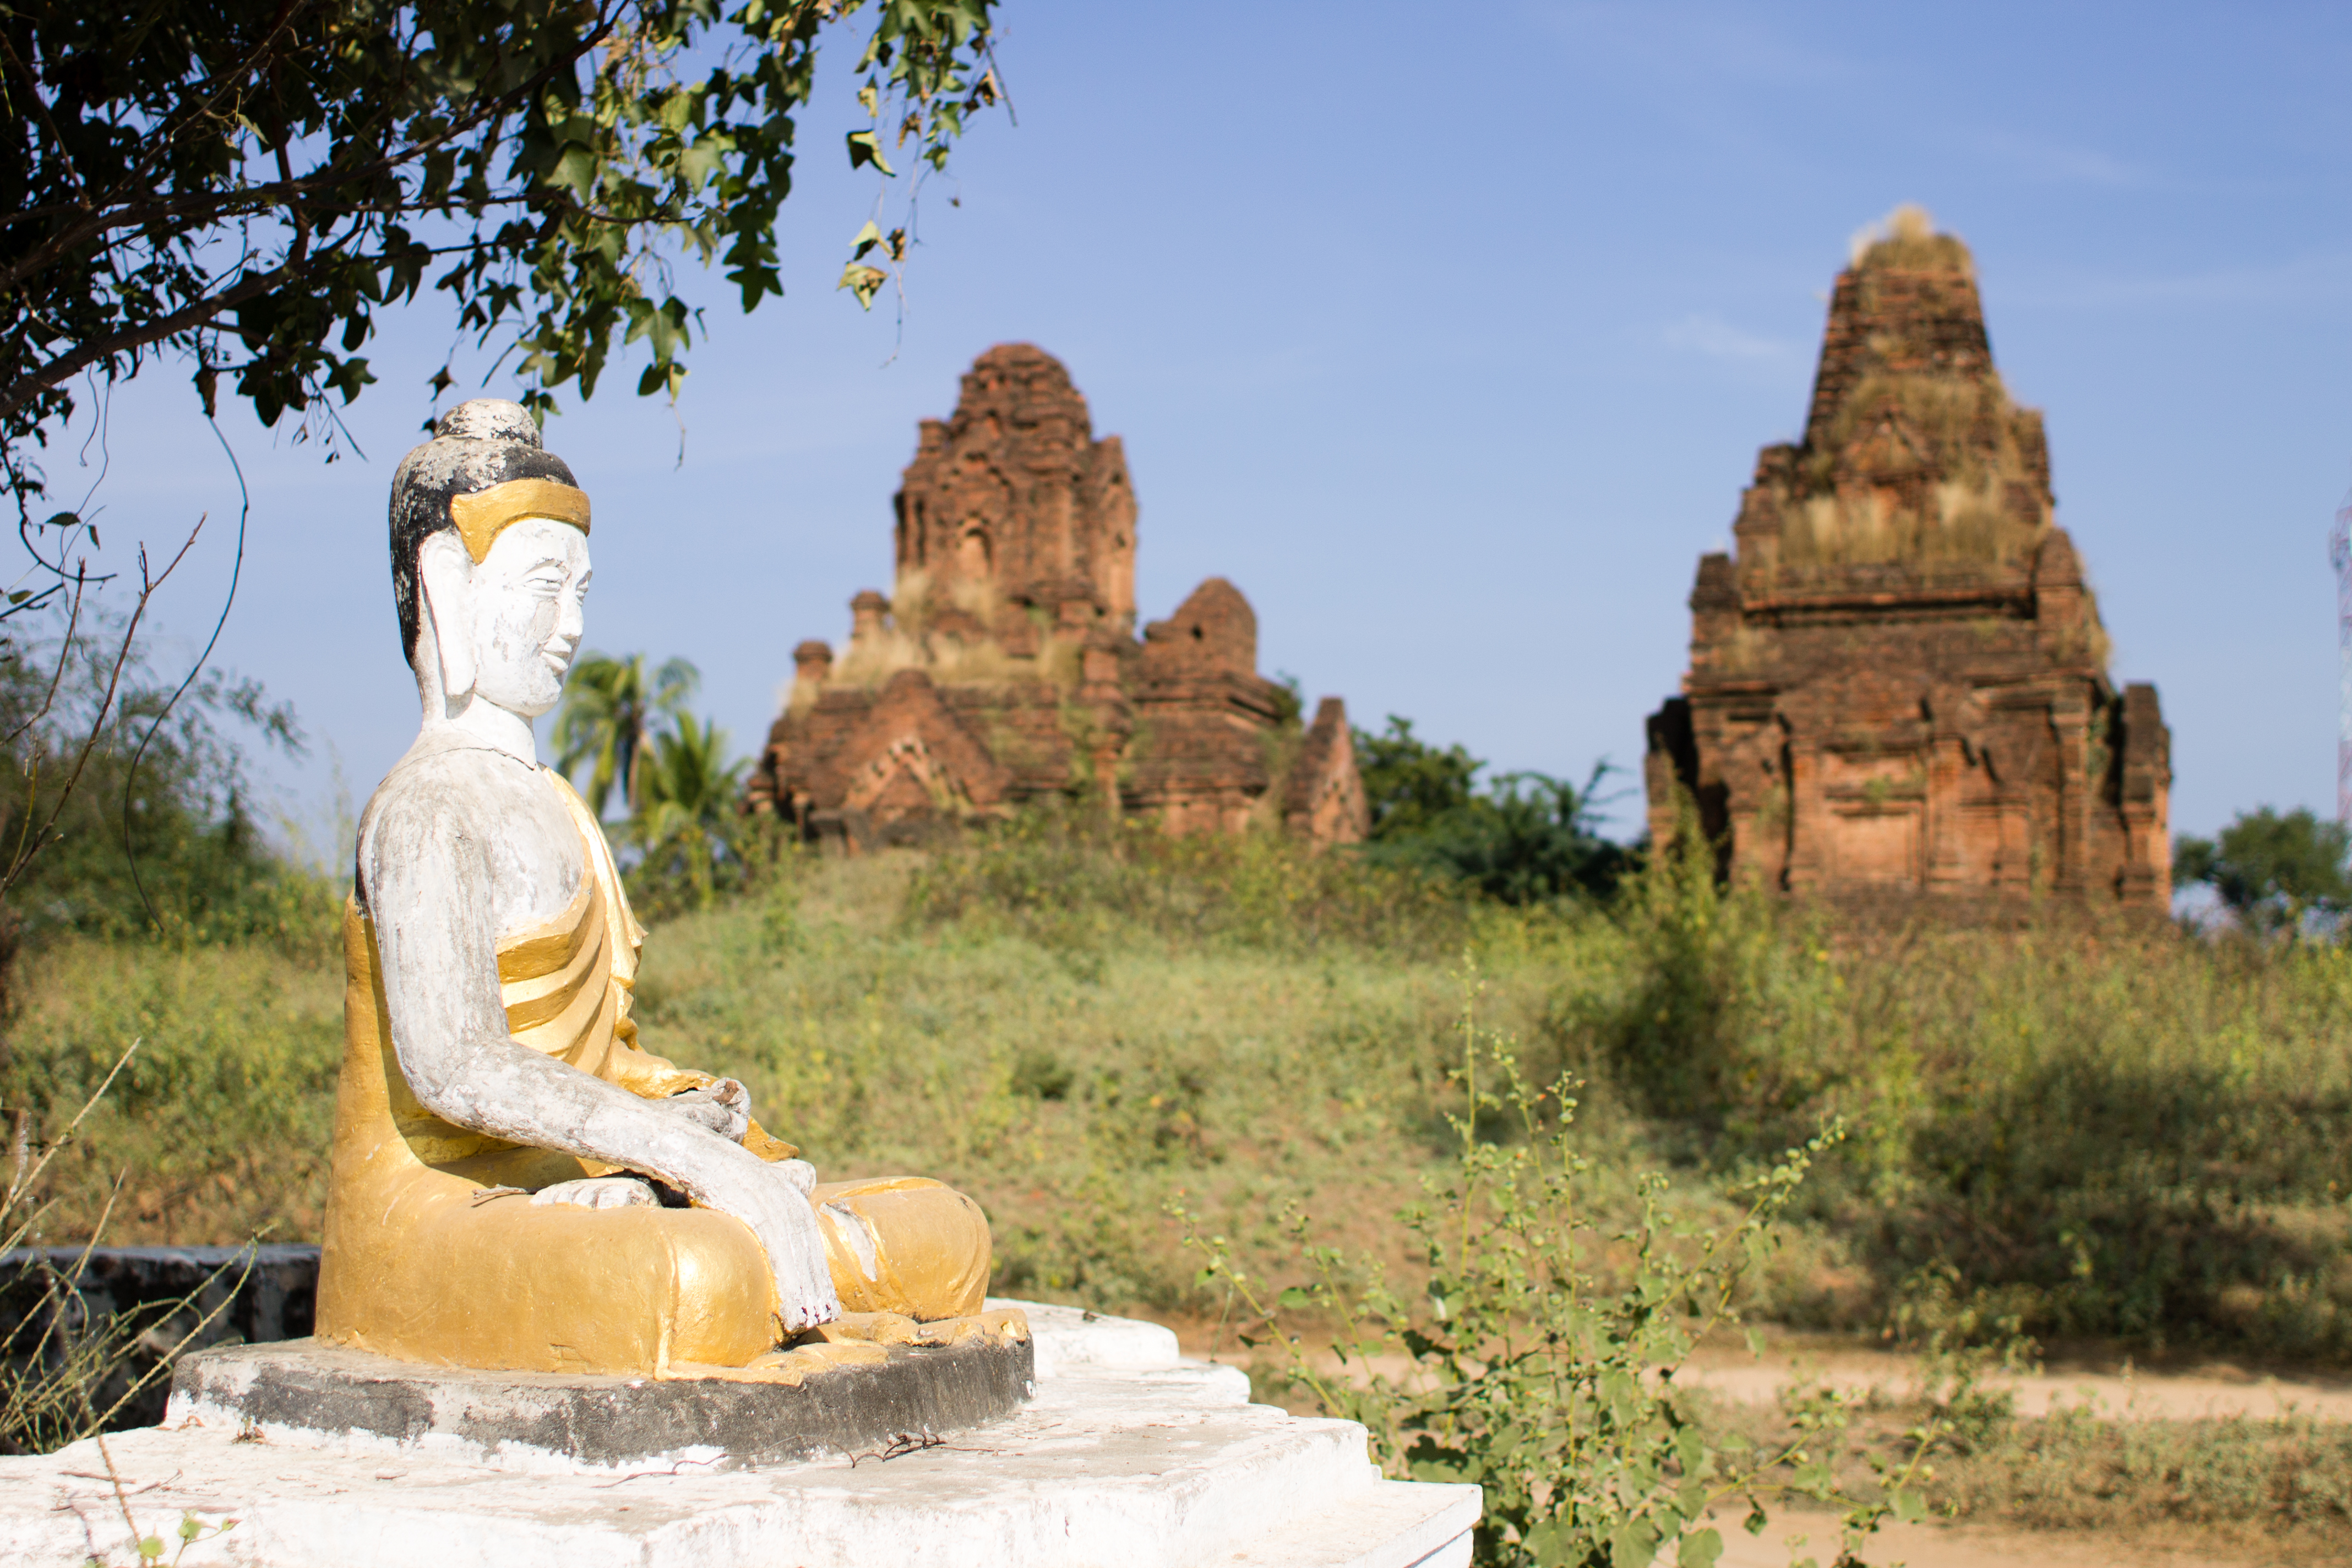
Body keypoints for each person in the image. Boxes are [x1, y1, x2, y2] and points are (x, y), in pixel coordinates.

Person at [315, 400, 989, 1374]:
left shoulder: (557, 804)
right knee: (699, 1281)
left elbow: (600, 1052)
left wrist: (689, 1110)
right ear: (447, 583)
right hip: (440, 1206)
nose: (571, 626)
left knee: (942, 1230)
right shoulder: (426, 806)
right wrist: (691, 1164)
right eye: (544, 587)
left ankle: (767, 1252)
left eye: (583, 590)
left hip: (580, 1184)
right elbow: (456, 1067)